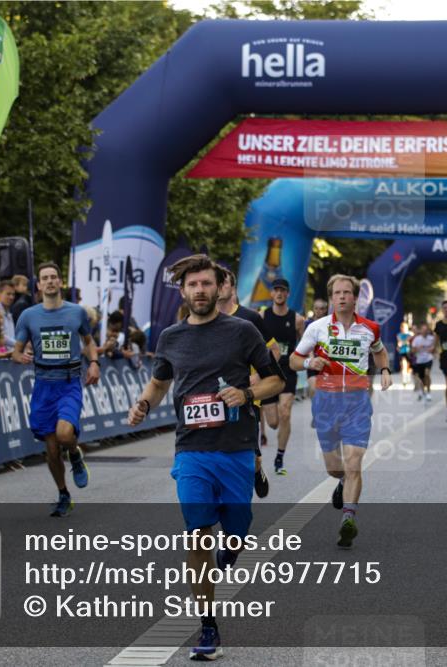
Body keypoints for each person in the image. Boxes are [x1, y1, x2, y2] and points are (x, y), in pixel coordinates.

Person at [128, 254, 283, 661]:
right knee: (197, 534)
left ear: (220, 288)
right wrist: (144, 403)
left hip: (235, 448)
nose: (200, 291)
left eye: (206, 284)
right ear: (184, 291)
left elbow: (276, 379)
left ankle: (234, 541)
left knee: (235, 530)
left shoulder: (243, 331)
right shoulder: (170, 337)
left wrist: (247, 394)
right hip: (192, 449)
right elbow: (160, 382)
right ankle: (209, 626)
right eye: (193, 285)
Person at [289, 274, 391, 549]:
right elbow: (293, 360)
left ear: (355, 298)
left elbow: (380, 352)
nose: (342, 297)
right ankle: (342, 479)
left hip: (357, 402)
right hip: (326, 401)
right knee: (335, 468)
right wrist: (311, 360)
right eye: (337, 293)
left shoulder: (370, 328)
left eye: (347, 292)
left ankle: (348, 518)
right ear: (332, 297)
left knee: (355, 462)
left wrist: (384, 370)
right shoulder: (317, 328)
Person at [12, 262, 100, 517]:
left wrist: (94, 362)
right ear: (38, 285)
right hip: (43, 385)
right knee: (50, 449)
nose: (50, 281)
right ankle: (63, 493)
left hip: (70, 382)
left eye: (54, 277)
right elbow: (17, 351)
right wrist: (21, 357)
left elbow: (88, 341)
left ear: (60, 282)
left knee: (63, 435)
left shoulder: (77, 313)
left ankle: (74, 453)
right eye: (44, 278)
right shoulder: (28, 316)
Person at [217, 267, 282, 498]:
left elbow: (274, 350)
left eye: (224, 283)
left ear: (232, 287)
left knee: (250, 456)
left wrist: (259, 376)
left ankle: (256, 469)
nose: (219, 287)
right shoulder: (203, 319)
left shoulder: (250, 318)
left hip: (246, 396)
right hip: (213, 398)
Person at [261, 278, 305, 476]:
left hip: (287, 370)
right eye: (276, 290)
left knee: (286, 411)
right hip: (268, 371)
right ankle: (274, 430)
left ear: (288, 294)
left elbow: (304, 343)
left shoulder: (297, 319)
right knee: (273, 422)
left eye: (283, 291)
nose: (279, 294)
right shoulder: (262, 316)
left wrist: (303, 359)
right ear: (271, 294)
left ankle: (280, 456)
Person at [305, 298, 329, 398]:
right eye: (316, 308)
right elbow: (306, 343)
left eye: (322, 309)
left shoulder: (330, 324)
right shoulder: (307, 324)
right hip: (313, 361)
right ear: (313, 309)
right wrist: (311, 358)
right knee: (314, 388)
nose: (319, 311)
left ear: (325, 310)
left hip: (326, 362)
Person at [409, 323, 435, 401]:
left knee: (427, 374)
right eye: (423, 330)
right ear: (421, 331)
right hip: (419, 360)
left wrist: (432, 349)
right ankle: (422, 391)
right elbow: (412, 351)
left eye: (426, 330)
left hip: (428, 359)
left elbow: (435, 348)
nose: (425, 332)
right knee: (421, 378)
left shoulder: (432, 338)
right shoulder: (417, 339)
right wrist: (417, 348)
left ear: (428, 331)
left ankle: (429, 392)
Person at [0, 280, 17, 349]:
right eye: (8, 294)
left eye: (13, 294)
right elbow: (0, 335)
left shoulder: (9, 313)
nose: (11, 297)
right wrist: (18, 345)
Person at [395, 321, 413, 387]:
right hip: (402, 352)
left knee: (409, 368)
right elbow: (399, 343)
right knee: (403, 366)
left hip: (409, 352)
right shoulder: (399, 335)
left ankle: (408, 377)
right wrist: (400, 344)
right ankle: (404, 380)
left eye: (405, 327)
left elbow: (410, 339)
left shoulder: (410, 334)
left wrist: (403, 343)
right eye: (402, 327)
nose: (403, 329)